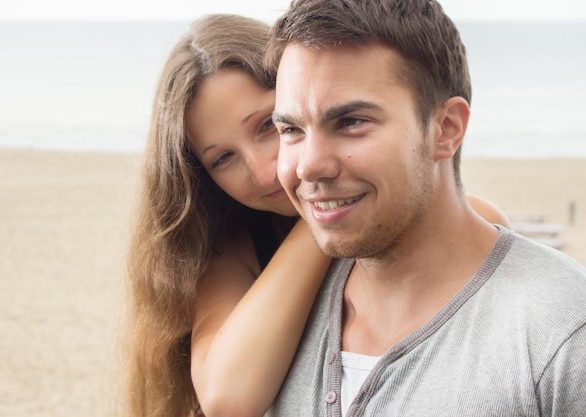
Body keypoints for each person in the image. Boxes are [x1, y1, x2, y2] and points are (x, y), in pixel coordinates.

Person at [123, 12, 513, 417]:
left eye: (269, 127)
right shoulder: (232, 254)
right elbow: (227, 398)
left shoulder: (463, 223)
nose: (263, 170)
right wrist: (325, 210)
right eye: (223, 158)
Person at [265, 0, 586, 416]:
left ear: (446, 129)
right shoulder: (280, 320)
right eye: (291, 129)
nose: (309, 165)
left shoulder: (562, 332)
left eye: (351, 122)